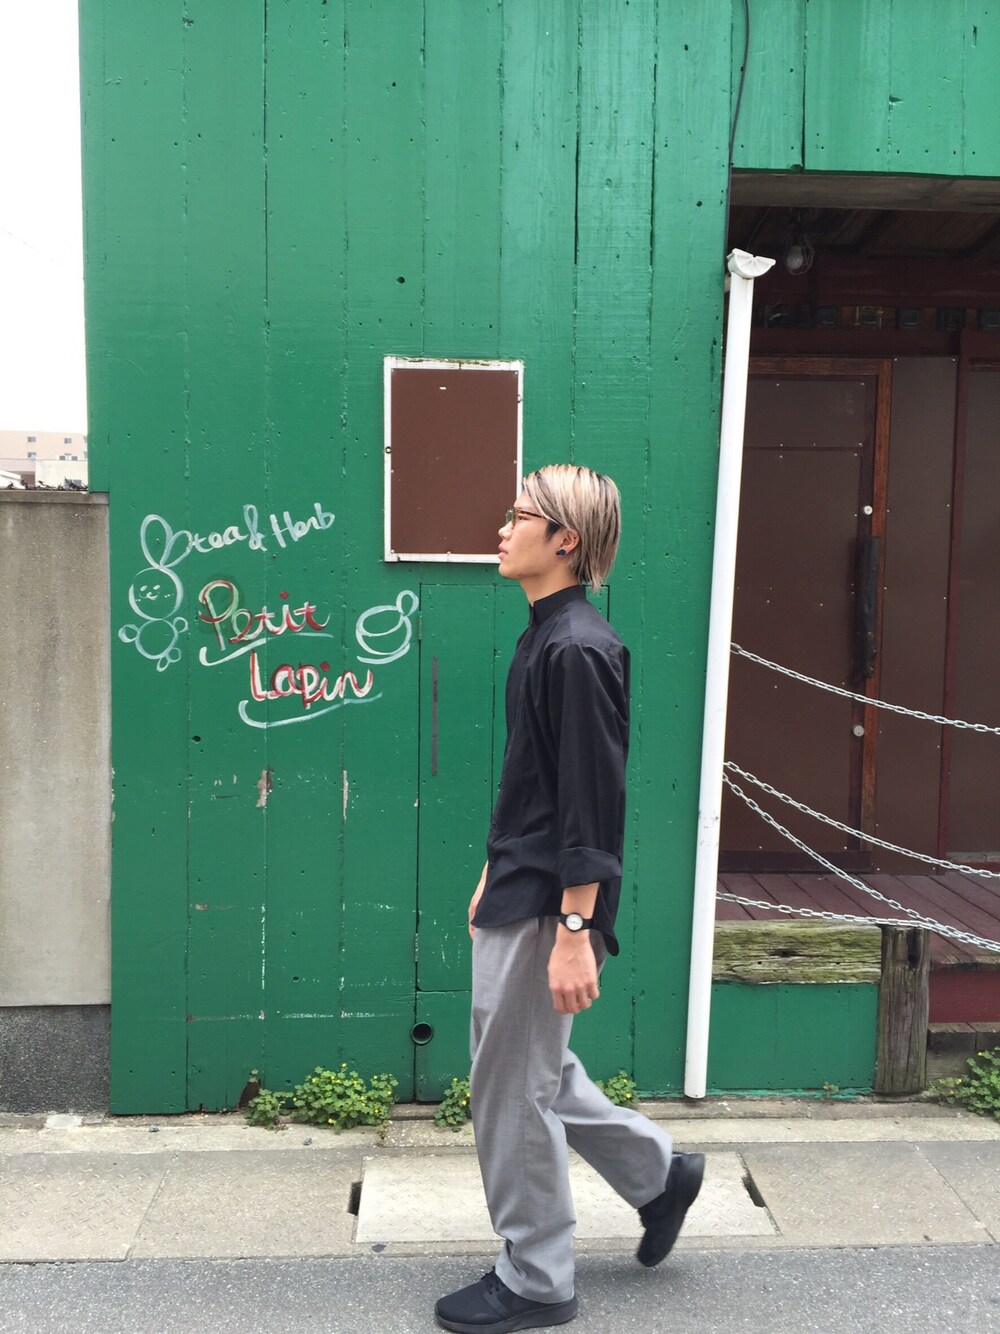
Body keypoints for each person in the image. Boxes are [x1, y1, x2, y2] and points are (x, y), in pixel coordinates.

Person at [435, 464, 705, 1334]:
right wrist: (493, 869)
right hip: (522, 883)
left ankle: (538, 1278)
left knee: (511, 1091)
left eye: (518, 515)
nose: (501, 528)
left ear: (565, 540)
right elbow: (536, 783)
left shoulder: (579, 649)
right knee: (531, 1070)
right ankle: (658, 1175)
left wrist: (576, 927)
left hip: (553, 902)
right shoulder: (545, 636)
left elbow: (593, 802)